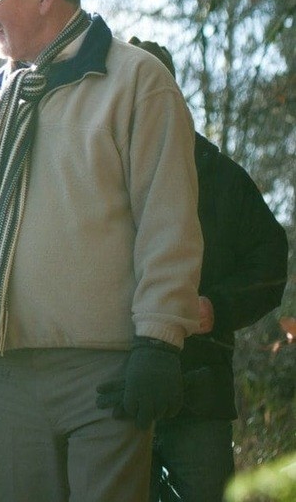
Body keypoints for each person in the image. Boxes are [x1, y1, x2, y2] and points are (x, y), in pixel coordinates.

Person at [0, 0, 204, 501]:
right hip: (9, 374)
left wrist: (159, 344)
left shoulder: (137, 80)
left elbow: (169, 224)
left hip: (106, 372)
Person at [129, 37, 290, 502]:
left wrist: (216, 307)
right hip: (110, 387)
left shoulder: (218, 174)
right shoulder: (101, 164)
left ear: (171, 93)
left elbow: (270, 260)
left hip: (198, 392)